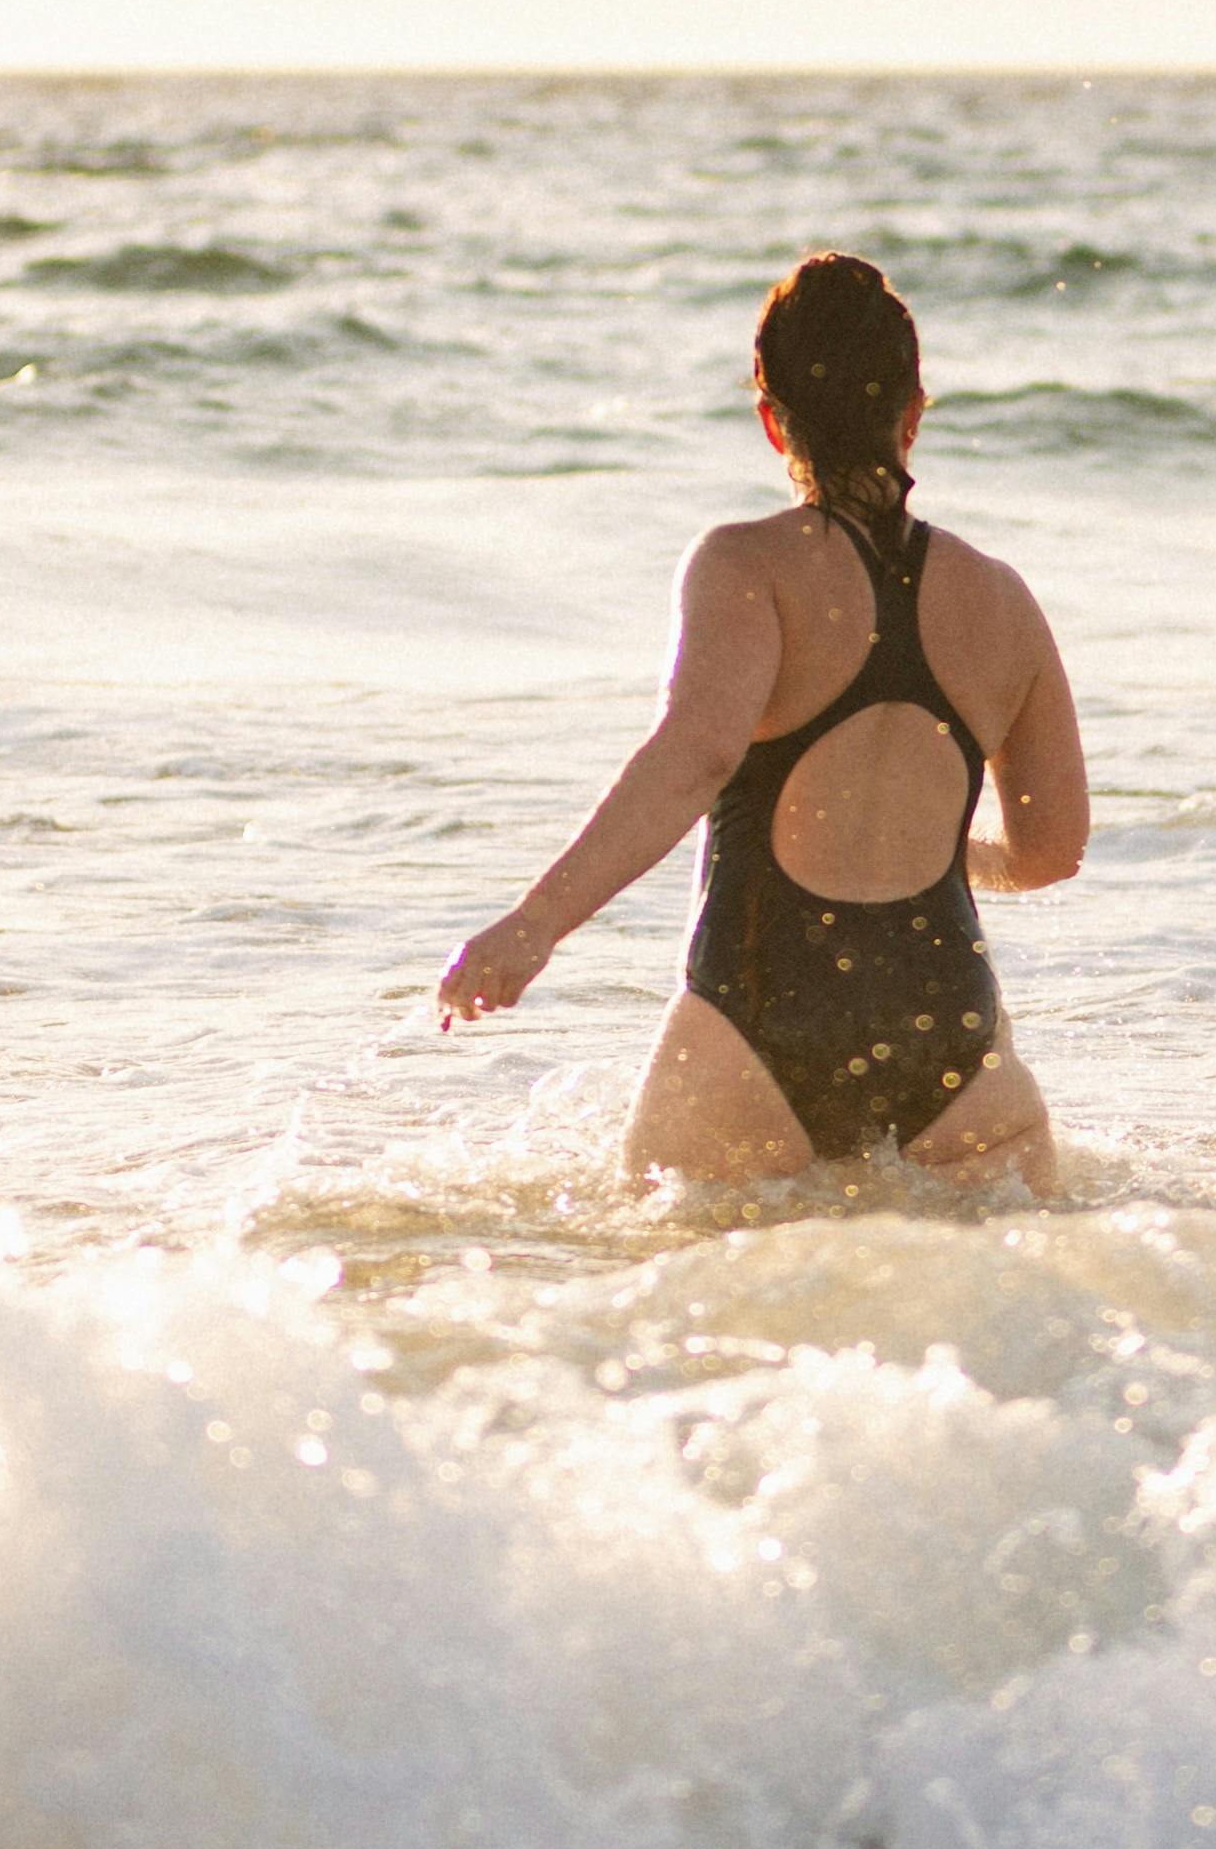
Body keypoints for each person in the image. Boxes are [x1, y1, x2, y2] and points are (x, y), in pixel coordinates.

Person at [438, 252, 1089, 1192]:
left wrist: (532, 925)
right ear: (913, 413)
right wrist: (945, 854)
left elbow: (695, 756)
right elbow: (1050, 850)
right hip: (947, 1028)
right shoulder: (1002, 601)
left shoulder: (743, 566)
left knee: (682, 1311)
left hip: (756, 1011)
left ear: (770, 418)